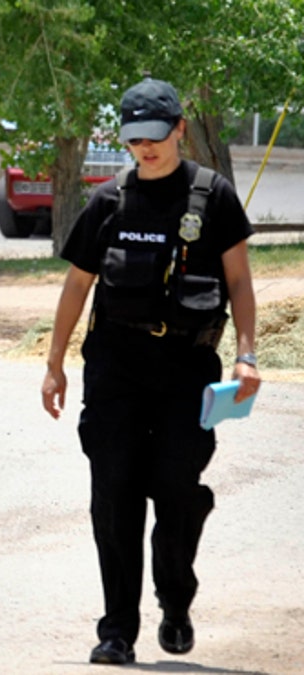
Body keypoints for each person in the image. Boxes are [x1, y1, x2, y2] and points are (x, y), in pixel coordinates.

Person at [41, 78, 260, 665]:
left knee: (175, 494)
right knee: (114, 499)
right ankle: (116, 629)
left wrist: (247, 352)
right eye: (134, 139)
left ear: (179, 129)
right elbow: (77, 285)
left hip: (187, 372)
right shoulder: (109, 200)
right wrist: (55, 363)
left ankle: (176, 598)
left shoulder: (213, 198)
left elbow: (238, 281)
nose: (146, 148)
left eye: (156, 136)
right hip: (115, 371)